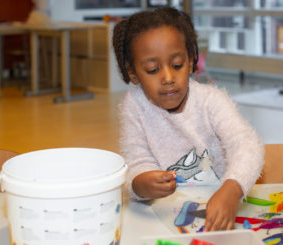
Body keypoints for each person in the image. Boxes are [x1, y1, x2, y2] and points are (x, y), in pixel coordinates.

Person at [112, 7, 264, 231]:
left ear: (192, 61)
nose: (168, 78)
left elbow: (248, 145)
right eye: (153, 70)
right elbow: (137, 162)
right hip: (165, 219)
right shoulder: (134, 105)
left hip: (217, 212)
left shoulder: (211, 100)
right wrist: (141, 183)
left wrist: (232, 190)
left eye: (176, 65)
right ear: (133, 73)